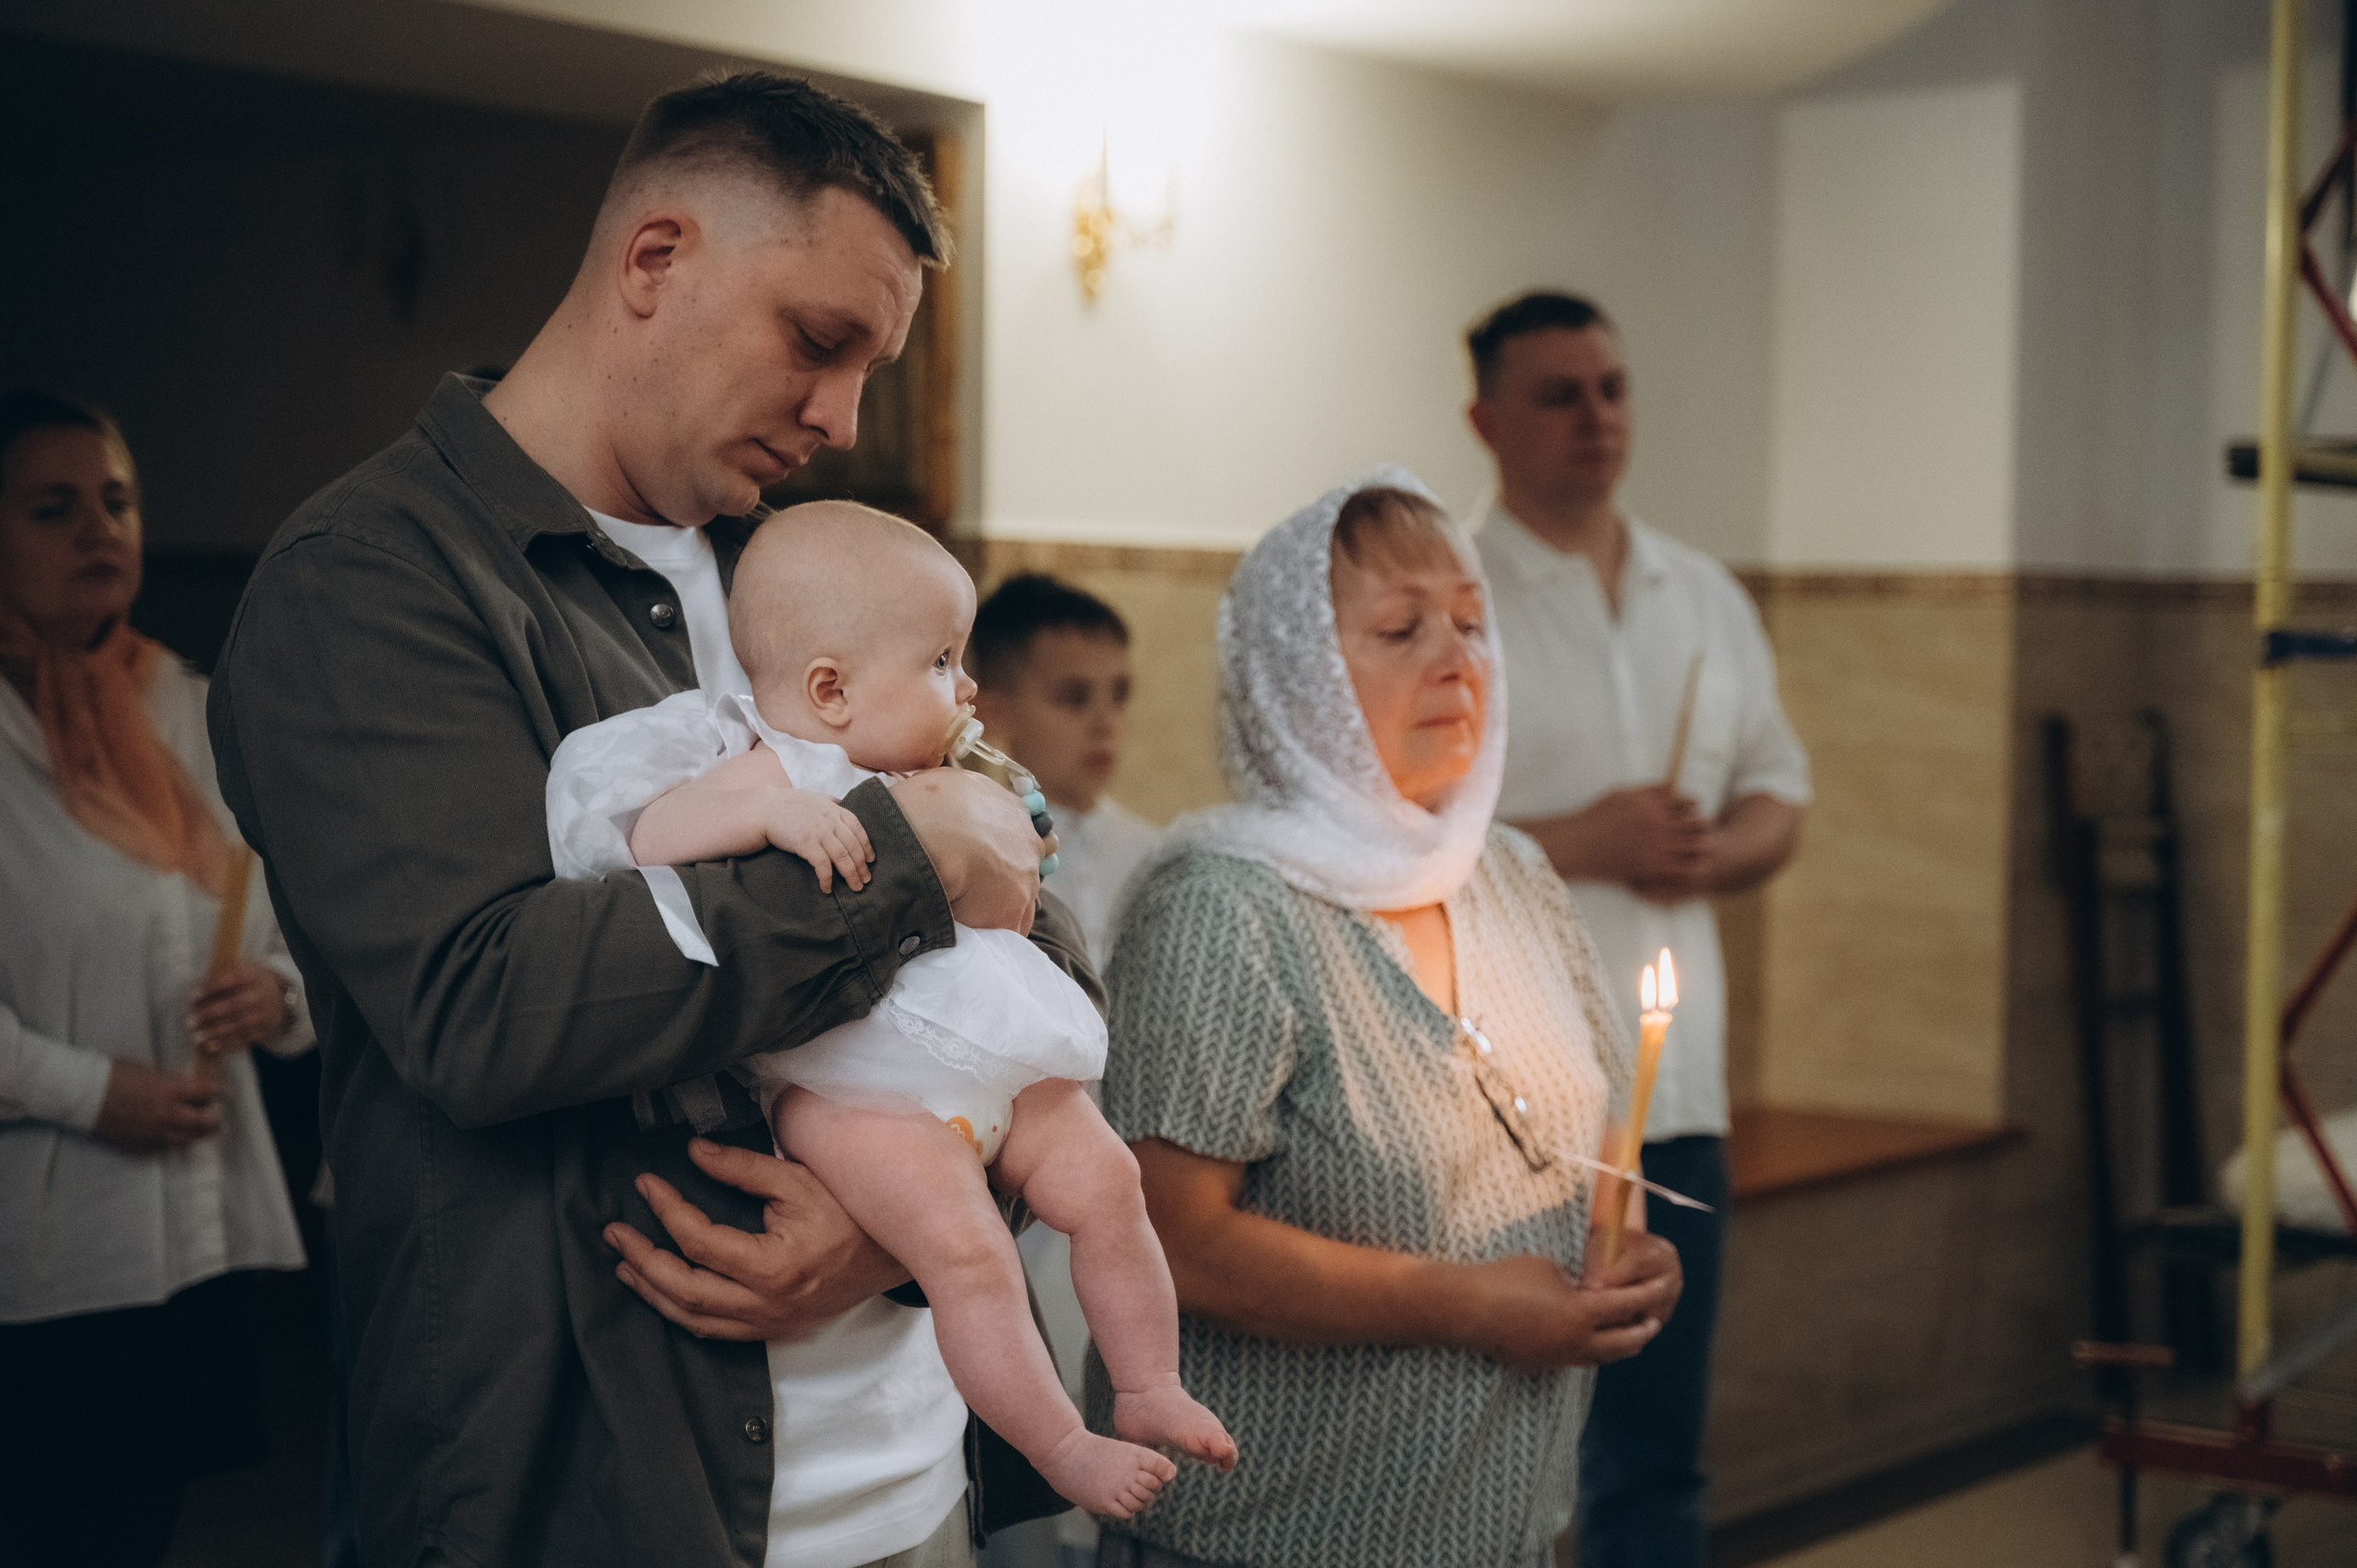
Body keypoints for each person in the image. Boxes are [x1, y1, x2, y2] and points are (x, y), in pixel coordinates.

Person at [209, 74, 1079, 1568]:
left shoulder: (797, 569)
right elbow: (489, 1004)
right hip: (608, 1500)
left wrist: (894, 1220)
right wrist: (909, 870)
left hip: (917, 1475)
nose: (844, 416)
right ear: (654, 260)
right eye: (820, 343)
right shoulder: (372, 582)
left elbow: (1033, 898)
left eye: (872, 366)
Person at [544, 502, 1236, 1527]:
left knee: (1108, 1177)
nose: (966, 689)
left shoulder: (943, 772)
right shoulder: (776, 763)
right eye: (944, 661)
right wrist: (769, 813)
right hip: (855, 1091)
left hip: (983, 1057)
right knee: (965, 1248)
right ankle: (1061, 1443)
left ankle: (1146, 1382)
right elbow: (647, 838)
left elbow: (1020, 905)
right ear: (830, 690)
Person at [1095, 471, 1684, 1568]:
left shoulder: (1508, 872)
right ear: (1298, 676)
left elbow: (1600, 1133)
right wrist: (1466, 1304)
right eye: (1402, 627)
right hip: (1272, 1531)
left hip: (1500, 1523)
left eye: (1471, 621)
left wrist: (1632, 1244)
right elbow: (1171, 1242)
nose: (1457, 657)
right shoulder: (1225, 908)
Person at [1465, 291, 1811, 1568]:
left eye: (1611, 387)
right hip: (1499, 1101)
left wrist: (1715, 849)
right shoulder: (1451, 592)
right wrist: (1582, 839)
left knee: (1657, 1453)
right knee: (1493, 1446)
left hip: (1681, 1101)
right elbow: (1399, 831)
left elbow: (1784, 792)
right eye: (1558, 393)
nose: (1597, 417)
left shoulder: (1704, 593)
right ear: (1485, 420)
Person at [0, 389, 313, 1568]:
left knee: (135, 1532)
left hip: (189, 1235)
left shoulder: (190, 708)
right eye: (52, 507)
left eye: (116, 502)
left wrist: (274, 997)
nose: (98, 529)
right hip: (41, 1250)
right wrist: (91, 1089)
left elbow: (292, 934)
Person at [969, 574, 1160, 964]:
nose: (1106, 723)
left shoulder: (1156, 854)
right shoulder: (972, 855)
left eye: (1119, 695)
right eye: (1074, 697)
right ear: (994, 714)